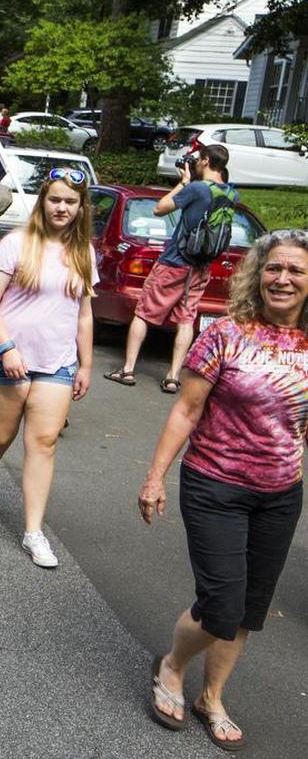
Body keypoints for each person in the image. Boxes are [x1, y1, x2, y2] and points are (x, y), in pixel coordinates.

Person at [138, 229, 308, 752]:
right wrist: (155, 475)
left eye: (295, 270)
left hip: (281, 493)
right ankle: (173, 665)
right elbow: (186, 409)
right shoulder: (224, 335)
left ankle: (211, 696)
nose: (282, 279)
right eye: (273, 268)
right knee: (223, 604)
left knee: (250, 608)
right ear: (258, 274)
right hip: (216, 484)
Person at [0, 169, 97, 568]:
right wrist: (7, 349)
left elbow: (83, 313)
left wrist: (86, 364)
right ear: (43, 201)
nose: (62, 207)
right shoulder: (16, 244)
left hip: (57, 363)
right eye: (55, 199)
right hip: (8, 358)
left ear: (81, 208)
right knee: (0, 433)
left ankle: (33, 532)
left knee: (44, 442)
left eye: (70, 202)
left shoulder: (84, 252)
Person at [105, 144, 234, 393]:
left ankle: (127, 369)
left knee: (144, 313)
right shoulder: (230, 193)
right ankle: (173, 376)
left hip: (175, 261)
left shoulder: (196, 188)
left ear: (206, 161)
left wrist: (184, 182)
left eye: (198, 159)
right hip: (201, 266)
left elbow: (160, 208)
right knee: (187, 318)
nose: (195, 162)